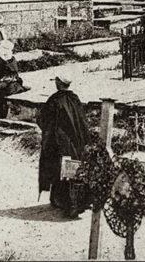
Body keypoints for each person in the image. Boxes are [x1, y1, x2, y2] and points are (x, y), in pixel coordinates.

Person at [37, 76, 89, 217]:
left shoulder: (54, 100)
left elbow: (42, 119)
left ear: (59, 83)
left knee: (57, 168)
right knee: (72, 170)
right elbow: (83, 121)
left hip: (57, 142)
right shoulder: (75, 99)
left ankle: (65, 202)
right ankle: (70, 201)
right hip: (74, 142)